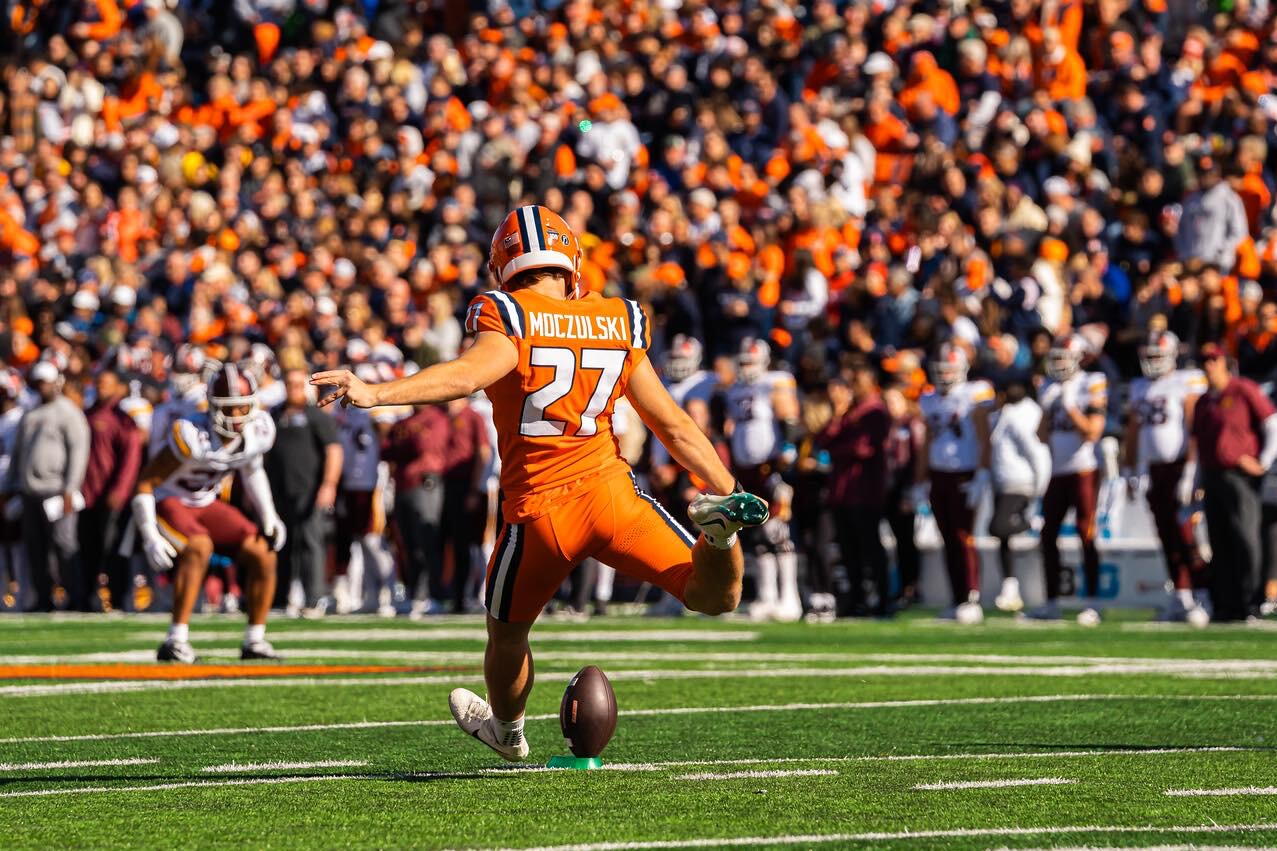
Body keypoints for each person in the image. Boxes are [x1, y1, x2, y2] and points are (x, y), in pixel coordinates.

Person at [311, 205, 769, 762]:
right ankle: (720, 532)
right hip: (612, 496)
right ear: (571, 264)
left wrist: (377, 393)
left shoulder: (508, 313)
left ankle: (507, 731)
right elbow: (669, 422)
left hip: (541, 514)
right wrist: (728, 488)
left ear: (502, 269)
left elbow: (468, 375)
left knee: (506, 634)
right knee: (713, 595)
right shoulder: (616, 317)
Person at [131, 363, 286, 662]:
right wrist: (149, 534)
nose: (237, 416)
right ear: (211, 407)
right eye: (229, 408)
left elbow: (252, 468)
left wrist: (269, 515)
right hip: (170, 500)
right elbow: (146, 482)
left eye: (243, 407)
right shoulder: (191, 433)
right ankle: (176, 640)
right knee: (199, 546)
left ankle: (255, 640)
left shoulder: (260, 429)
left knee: (263, 551)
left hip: (205, 502)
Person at [1123, 329, 1208, 621]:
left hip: (1180, 465)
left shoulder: (1186, 382)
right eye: (1150, 356)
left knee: (1187, 533)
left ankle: (1203, 593)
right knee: (1165, 533)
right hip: (1153, 468)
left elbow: (1194, 428)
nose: (1153, 361)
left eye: (1158, 356)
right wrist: (1130, 468)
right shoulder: (1139, 387)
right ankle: (1180, 596)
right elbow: (1133, 431)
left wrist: (1191, 471)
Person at [1189, 343, 1277, 622]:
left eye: (1213, 360)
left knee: (1246, 538)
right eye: (1204, 360)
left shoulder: (1242, 389)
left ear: (1225, 362)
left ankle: (1250, 602)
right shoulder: (1204, 401)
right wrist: (1195, 479)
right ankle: (1225, 606)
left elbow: (1272, 422)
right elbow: (1198, 443)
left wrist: (1263, 461)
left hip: (1239, 475)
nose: (1208, 365)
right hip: (1212, 475)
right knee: (1220, 541)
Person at [722, 338, 802, 621]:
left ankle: (790, 597)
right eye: (742, 362)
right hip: (747, 470)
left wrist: (788, 450)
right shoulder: (734, 390)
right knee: (757, 533)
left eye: (751, 362)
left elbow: (790, 419)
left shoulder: (774, 383)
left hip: (770, 468)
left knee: (778, 531)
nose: (746, 367)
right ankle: (767, 596)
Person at [3, 360, 90, 612]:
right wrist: (9, 487)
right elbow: (18, 453)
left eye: (46, 382)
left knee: (64, 546)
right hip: (30, 491)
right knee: (36, 548)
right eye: (38, 382)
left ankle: (76, 598)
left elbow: (78, 452)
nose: (42, 387)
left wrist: (70, 488)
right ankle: (44, 599)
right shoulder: (30, 414)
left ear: (56, 383)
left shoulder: (68, 413)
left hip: (57, 490)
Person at [916, 343, 993, 623]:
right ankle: (956, 596)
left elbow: (985, 437)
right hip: (939, 474)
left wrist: (982, 473)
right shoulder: (929, 399)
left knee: (964, 537)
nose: (945, 376)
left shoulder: (975, 394)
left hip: (966, 472)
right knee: (947, 537)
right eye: (941, 371)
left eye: (949, 370)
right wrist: (919, 479)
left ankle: (971, 595)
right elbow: (926, 443)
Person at [1035, 333, 1108, 625]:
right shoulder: (1050, 387)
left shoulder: (1091, 383)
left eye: (1064, 359)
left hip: (1084, 469)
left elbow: (1092, 432)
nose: (1059, 365)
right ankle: (1051, 600)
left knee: (1085, 532)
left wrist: (1070, 408)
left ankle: (1093, 601)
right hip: (1057, 470)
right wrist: (1046, 408)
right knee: (1047, 535)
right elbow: (1041, 435)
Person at [266, 368, 343, 616]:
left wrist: (328, 485)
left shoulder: (316, 415)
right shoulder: (275, 414)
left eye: (299, 385)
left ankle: (314, 598)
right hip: (279, 490)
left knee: (311, 542)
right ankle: (279, 598)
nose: (294, 389)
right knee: (281, 544)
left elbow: (333, 451)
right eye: (290, 384)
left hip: (309, 489)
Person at [816, 361, 891, 616]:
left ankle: (882, 600)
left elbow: (862, 448)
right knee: (849, 550)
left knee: (870, 547)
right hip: (843, 492)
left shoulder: (875, 412)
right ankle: (856, 599)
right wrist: (837, 415)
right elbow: (823, 439)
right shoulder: (850, 412)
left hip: (865, 490)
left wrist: (838, 449)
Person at [79, 369, 143, 611]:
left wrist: (120, 490)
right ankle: (87, 598)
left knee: (114, 549)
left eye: (106, 383)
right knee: (88, 549)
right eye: (98, 382)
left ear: (118, 387)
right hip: (87, 495)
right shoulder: (88, 414)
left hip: (112, 497)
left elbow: (130, 459)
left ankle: (119, 598)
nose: (100, 387)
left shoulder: (123, 420)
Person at [382, 398, 450, 616]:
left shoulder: (436, 418)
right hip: (403, 485)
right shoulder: (406, 421)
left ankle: (434, 594)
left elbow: (423, 446)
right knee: (408, 545)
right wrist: (406, 439)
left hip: (425, 483)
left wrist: (404, 439)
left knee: (427, 540)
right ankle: (415, 594)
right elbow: (386, 450)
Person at [987, 378, 1050, 613]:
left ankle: (1031, 523)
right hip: (1002, 482)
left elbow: (1036, 452)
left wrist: (1039, 487)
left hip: (1018, 482)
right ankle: (1010, 585)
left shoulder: (1017, 417)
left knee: (998, 527)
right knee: (1003, 540)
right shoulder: (1002, 415)